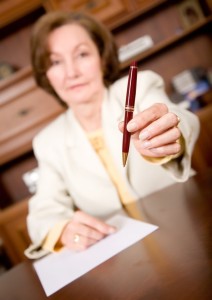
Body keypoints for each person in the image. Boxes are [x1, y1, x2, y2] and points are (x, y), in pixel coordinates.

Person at [25, 11, 199, 259]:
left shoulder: (139, 88)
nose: (71, 72)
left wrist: (172, 136)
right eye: (55, 62)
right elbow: (43, 211)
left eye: (82, 54)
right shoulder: (47, 142)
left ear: (102, 58)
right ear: (46, 75)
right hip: (127, 259)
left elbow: (180, 119)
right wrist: (62, 230)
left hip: (189, 229)